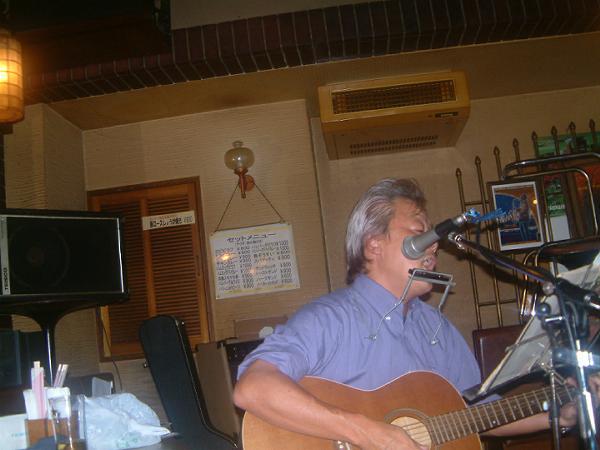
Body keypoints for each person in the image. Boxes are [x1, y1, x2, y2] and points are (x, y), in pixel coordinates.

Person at [233, 178, 592, 450]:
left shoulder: (437, 327)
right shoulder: (330, 319)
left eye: (434, 238)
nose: (433, 247)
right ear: (373, 245)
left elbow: (478, 414)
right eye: (420, 232)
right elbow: (253, 387)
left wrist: (556, 414)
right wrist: (367, 432)